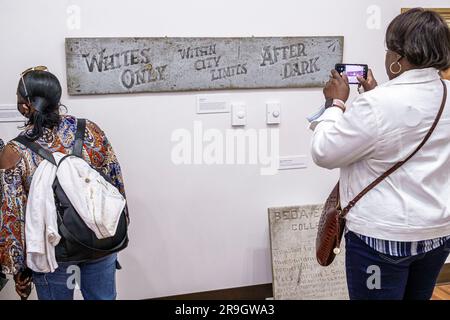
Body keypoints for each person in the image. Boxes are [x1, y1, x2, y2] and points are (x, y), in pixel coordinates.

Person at [308, 8, 450, 300]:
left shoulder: (377, 105)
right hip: (437, 233)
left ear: (398, 59)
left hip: (382, 238)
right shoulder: (445, 92)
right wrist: (374, 93)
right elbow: (406, 121)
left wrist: (335, 103)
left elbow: (324, 152)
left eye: (388, 50)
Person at [0, 67, 128, 300]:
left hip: (50, 253)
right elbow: (114, 182)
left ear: (25, 106)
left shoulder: (14, 152)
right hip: (99, 240)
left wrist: (19, 270)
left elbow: (12, 217)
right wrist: (115, 229)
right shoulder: (90, 131)